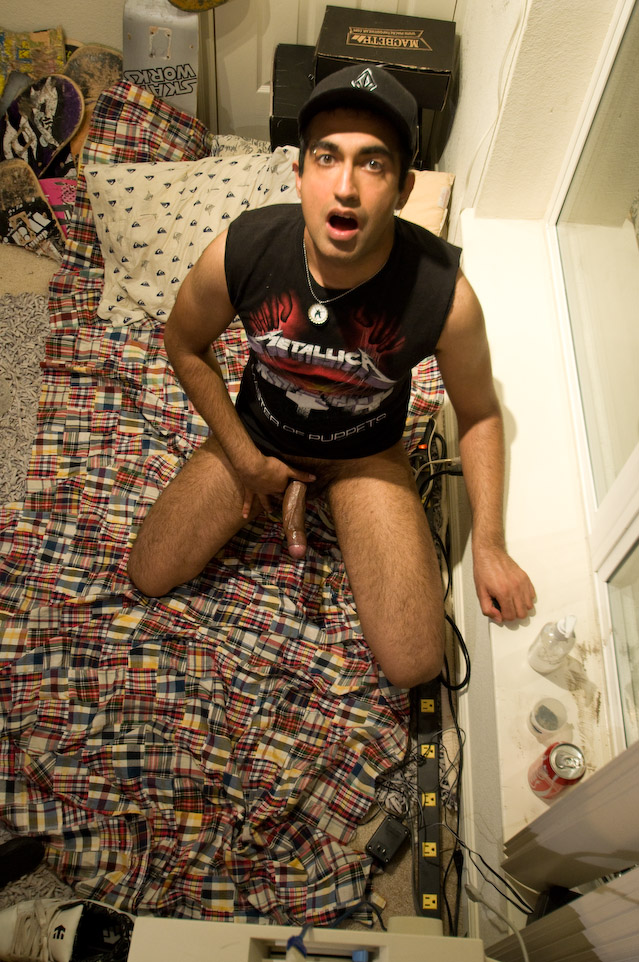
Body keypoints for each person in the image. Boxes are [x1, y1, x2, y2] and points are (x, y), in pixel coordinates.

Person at [127, 64, 535, 689]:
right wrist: (246, 460)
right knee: (149, 572)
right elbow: (182, 344)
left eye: (373, 163)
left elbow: (479, 413)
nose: (345, 187)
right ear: (298, 173)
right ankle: (284, 486)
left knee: (415, 663)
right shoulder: (242, 249)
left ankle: (319, 496)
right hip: (259, 433)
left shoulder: (445, 297)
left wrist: (490, 545)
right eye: (327, 158)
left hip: (365, 457)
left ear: (403, 188)